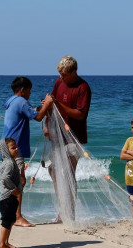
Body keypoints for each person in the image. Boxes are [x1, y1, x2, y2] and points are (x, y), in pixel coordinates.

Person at [2, 76, 54, 227]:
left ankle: (11, 215)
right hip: (15, 148)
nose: (30, 93)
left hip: (6, 145)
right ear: (23, 90)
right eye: (30, 90)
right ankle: (17, 217)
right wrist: (49, 103)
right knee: (20, 181)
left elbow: (32, 112)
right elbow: (38, 117)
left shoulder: (12, 101)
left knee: (13, 181)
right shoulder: (21, 101)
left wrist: (41, 107)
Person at [48, 56, 92, 223]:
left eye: (65, 74)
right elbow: (52, 103)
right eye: (60, 74)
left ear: (74, 72)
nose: (61, 77)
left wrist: (58, 104)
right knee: (52, 170)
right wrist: (46, 122)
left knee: (69, 174)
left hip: (74, 136)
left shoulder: (83, 87)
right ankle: (61, 210)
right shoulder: (59, 82)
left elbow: (80, 115)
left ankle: (70, 214)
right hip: (56, 134)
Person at [0, 138, 22, 248]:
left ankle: (6, 242)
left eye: (16, 146)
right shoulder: (10, 163)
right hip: (8, 198)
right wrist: (14, 189)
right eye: (13, 148)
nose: (17, 149)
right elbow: (5, 179)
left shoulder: (9, 162)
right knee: (6, 222)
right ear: (6, 151)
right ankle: (1, 245)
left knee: (11, 220)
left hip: (10, 198)